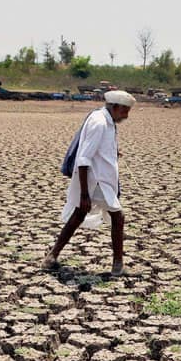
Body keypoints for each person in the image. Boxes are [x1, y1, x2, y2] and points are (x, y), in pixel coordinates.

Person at [43, 90, 135, 276]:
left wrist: (112, 152)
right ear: (115, 107)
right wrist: (85, 193)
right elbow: (84, 158)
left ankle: (51, 257)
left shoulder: (103, 118)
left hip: (99, 179)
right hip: (97, 180)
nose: (126, 116)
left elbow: (97, 148)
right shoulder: (100, 123)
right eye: (125, 111)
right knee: (118, 217)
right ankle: (118, 266)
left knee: (79, 214)